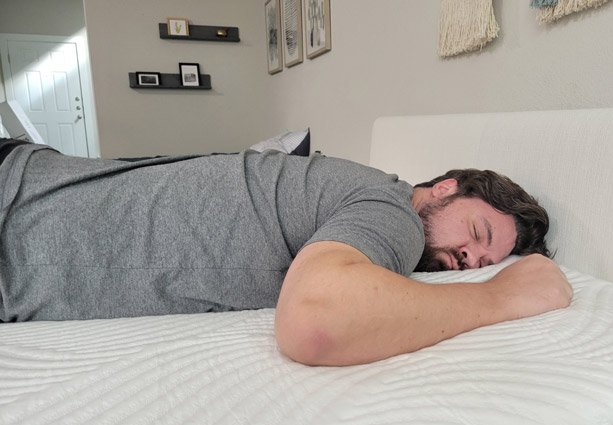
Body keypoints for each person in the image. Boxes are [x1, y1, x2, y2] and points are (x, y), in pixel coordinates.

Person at [0, 143, 572, 366]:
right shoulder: (393, 213)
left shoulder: (358, 191)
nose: (468, 259)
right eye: (474, 232)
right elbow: (315, 322)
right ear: (445, 187)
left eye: (483, 262)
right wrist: (498, 295)